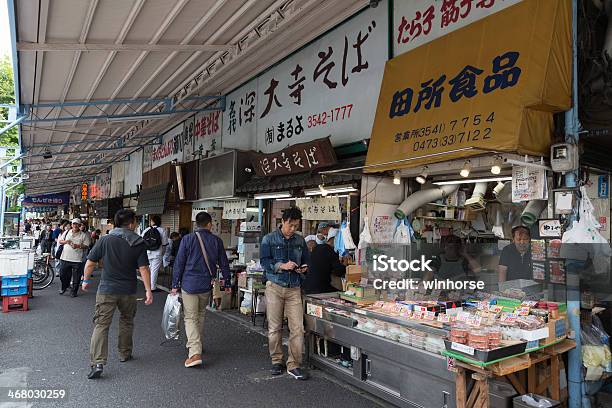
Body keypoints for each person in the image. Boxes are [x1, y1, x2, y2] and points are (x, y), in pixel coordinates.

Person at [82, 209, 152, 380]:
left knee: (101, 325)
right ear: (131, 224)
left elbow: (90, 262)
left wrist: (85, 280)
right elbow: (143, 268)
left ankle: (98, 362)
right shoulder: (138, 242)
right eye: (135, 221)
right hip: (128, 290)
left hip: (107, 289)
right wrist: (149, 290)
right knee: (127, 321)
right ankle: (124, 353)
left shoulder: (105, 240)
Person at [171, 212, 231, 368]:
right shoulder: (216, 241)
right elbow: (224, 264)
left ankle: (195, 352)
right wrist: (227, 283)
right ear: (210, 224)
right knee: (200, 314)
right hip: (205, 285)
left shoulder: (187, 239)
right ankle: (196, 343)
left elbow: (179, 263)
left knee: (190, 317)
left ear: (196, 224)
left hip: (189, 285)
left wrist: (175, 284)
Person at [260, 207, 310, 380]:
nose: (293, 229)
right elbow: (264, 262)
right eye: (290, 225)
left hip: (294, 287)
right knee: (275, 327)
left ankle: (294, 364)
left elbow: (306, 261)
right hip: (274, 286)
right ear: (283, 222)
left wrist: (304, 267)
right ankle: (276, 361)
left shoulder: (300, 240)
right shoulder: (269, 239)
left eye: (296, 226)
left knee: (298, 328)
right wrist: (281, 265)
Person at [304, 228, 347, 295]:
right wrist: (345, 264)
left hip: (307, 288)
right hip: (321, 289)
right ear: (334, 240)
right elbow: (338, 271)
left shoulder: (316, 249)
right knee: (345, 295)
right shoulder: (328, 250)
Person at [58, 218, 91, 297]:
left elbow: (86, 245)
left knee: (76, 277)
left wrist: (78, 246)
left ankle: (74, 291)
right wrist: (67, 241)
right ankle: (64, 287)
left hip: (77, 259)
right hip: (65, 257)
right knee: (63, 275)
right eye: (73, 224)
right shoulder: (66, 232)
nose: (75, 225)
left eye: (77, 224)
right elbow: (60, 241)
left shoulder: (83, 235)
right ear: (71, 225)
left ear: (79, 225)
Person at [141, 215, 168, 291]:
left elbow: (142, 241)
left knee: (148, 269)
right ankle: (152, 287)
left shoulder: (146, 230)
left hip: (147, 252)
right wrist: (163, 253)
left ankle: (147, 286)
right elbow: (164, 244)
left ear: (152, 222)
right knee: (154, 270)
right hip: (157, 253)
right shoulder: (162, 230)